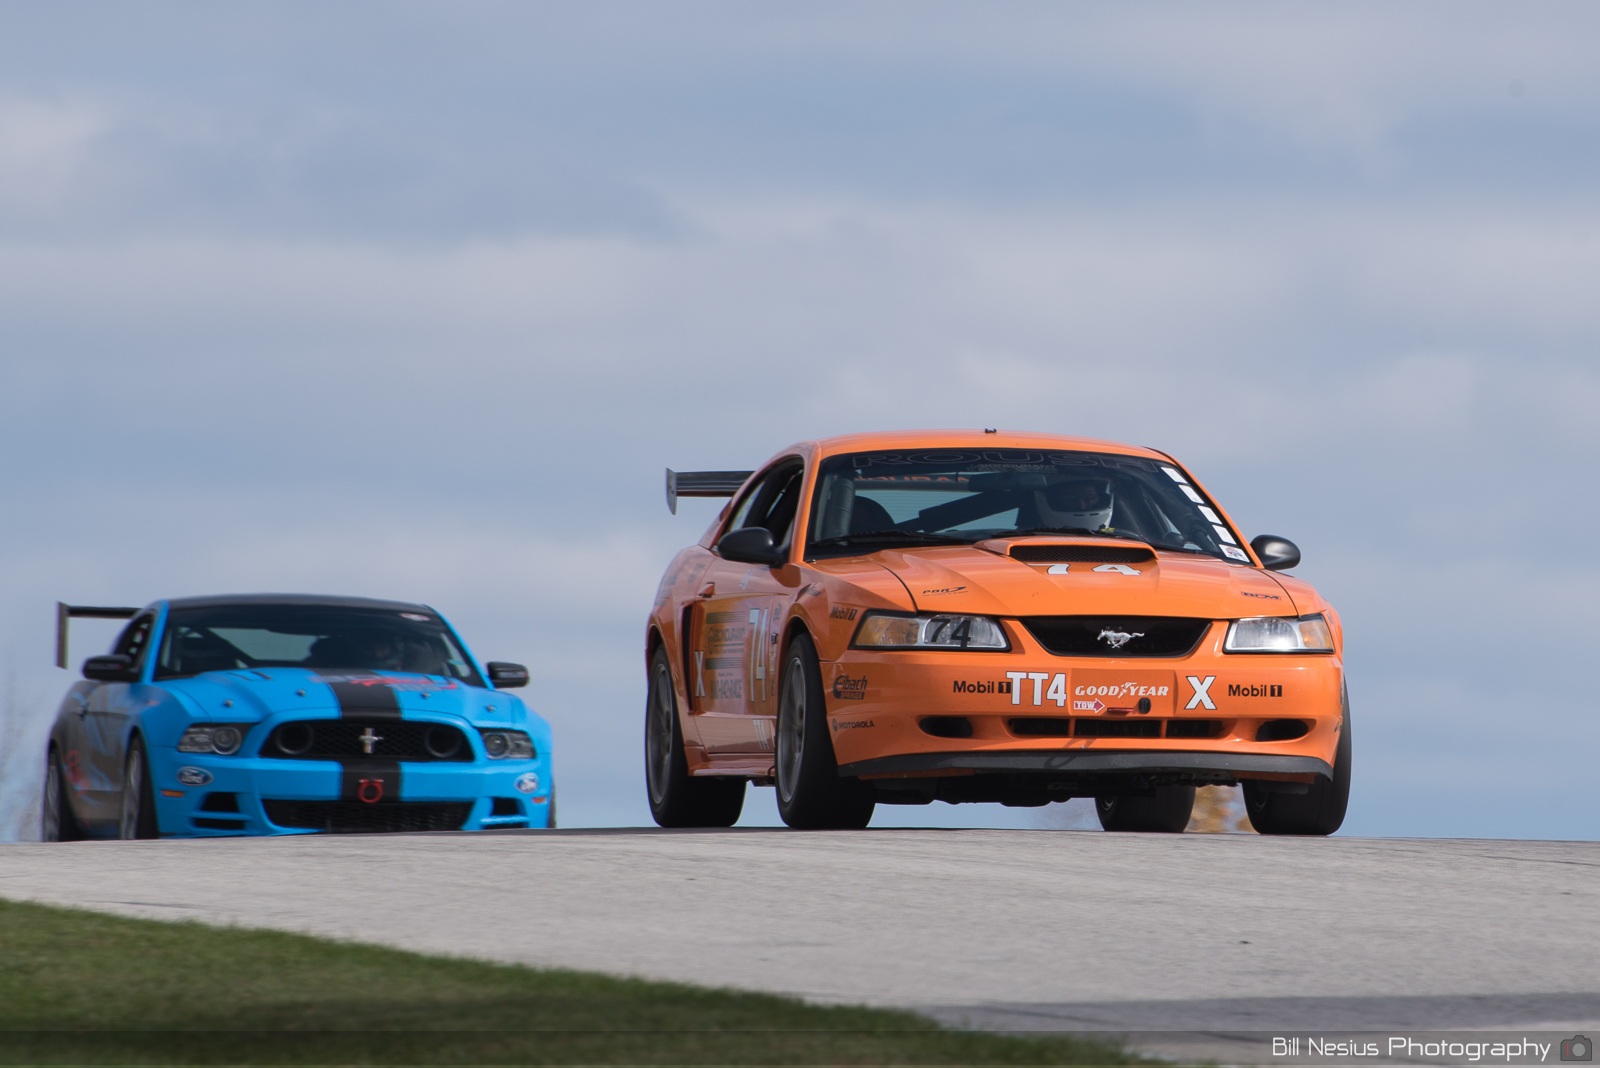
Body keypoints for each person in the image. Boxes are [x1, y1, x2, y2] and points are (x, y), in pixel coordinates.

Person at [1034, 477, 1114, 532]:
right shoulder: (1033, 532)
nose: (1082, 506)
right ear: (1056, 502)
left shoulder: (1112, 532)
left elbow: (1113, 531)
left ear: (1100, 499)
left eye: (1088, 499)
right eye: (1070, 499)